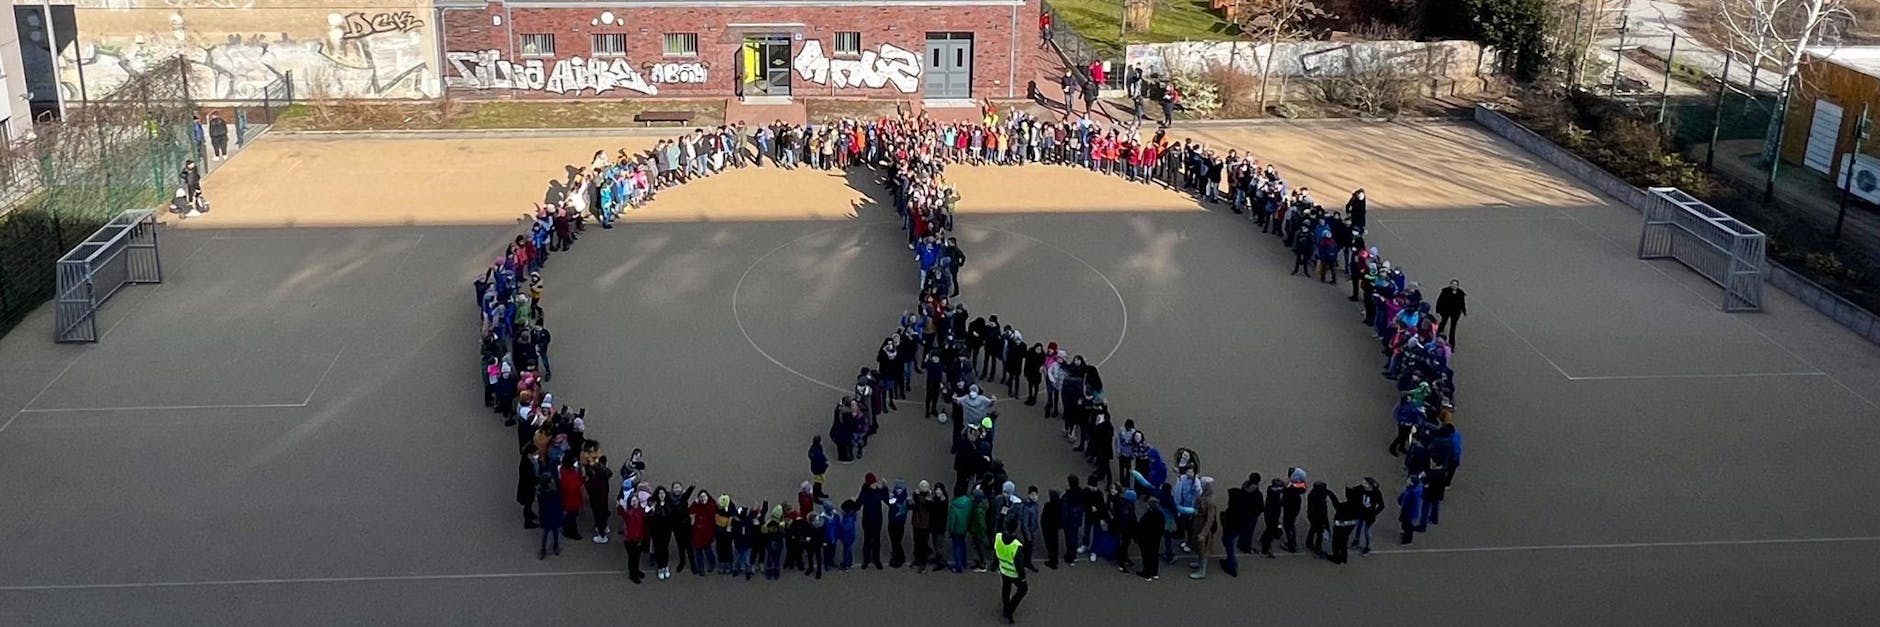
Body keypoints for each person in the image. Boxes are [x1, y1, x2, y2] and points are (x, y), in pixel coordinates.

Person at [996, 519, 1029, 624]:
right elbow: (1019, 565)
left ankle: (1006, 607)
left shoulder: (998, 537)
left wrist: (1003, 514)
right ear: (1015, 530)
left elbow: (996, 551)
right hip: (1014, 573)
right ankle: (1009, 609)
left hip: (1003, 569)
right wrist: (1023, 577)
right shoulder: (1016, 545)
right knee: (1023, 589)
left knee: (1006, 589)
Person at [1436, 279, 1467, 345]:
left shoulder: (1460, 293)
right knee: (1443, 323)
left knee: (1453, 328)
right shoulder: (1445, 291)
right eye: (1452, 284)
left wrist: (1464, 311)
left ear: (1457, 286)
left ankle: (1452, 343)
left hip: (1455, 313)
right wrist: (1437, 311)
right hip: (1446, 311)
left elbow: (1462, 303)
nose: (1453, 286)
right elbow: (1439, 301)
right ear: (1450, 284)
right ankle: (1438, 336)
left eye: (1455, 285)